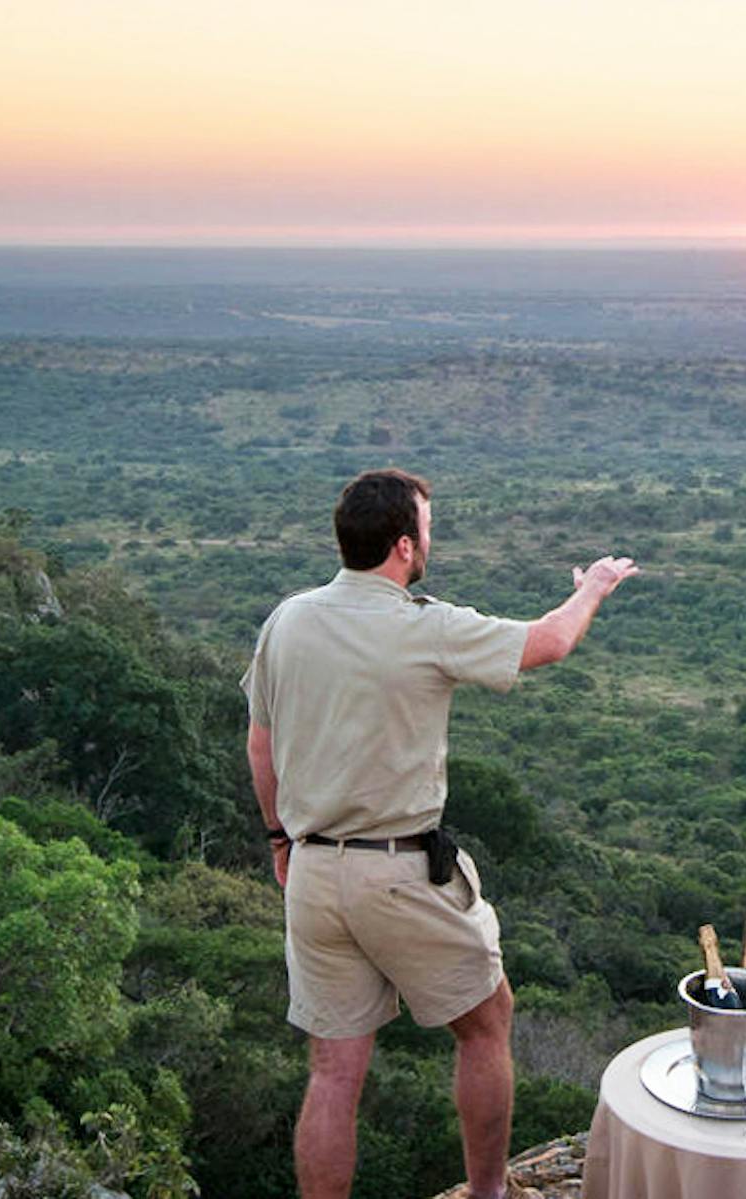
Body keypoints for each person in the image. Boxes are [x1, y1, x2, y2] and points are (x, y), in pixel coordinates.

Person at [242, 468, 638, 1199]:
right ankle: (487, 1193)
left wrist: (278, 842)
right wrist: (596, 586)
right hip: (395, 869)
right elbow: (549, 643)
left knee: (333, 1072)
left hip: (314, 871)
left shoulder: (287, 619)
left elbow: (260, 746)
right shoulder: (424, 625)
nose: (432, 538)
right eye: (427, 527)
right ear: (402, 546)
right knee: (488, 1021)